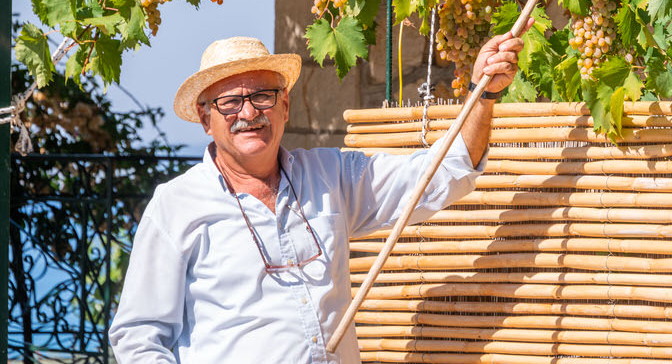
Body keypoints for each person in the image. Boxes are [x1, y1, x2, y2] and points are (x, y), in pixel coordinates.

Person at [109, 27, 529, 364]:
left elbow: (445, 171)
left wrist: (484, 93)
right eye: (230, 102)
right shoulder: (176, 206)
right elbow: (138, 338)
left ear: (285, 105)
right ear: (205, 118)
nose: (250, 113)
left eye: (262, 96)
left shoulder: (331, 177)